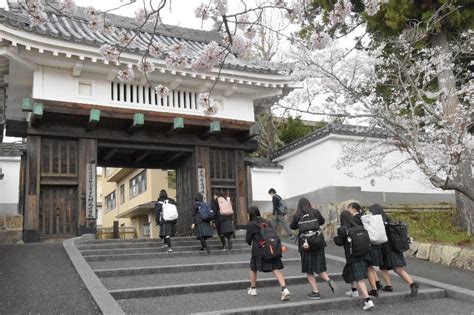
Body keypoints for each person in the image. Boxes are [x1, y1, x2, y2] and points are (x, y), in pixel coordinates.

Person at [290, 197, 336, 300]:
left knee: (309, 270)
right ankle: (328, 280)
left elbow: (293, 227)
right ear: (309, 204)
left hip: (305, 244)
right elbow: (322, 221)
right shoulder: (315, 211)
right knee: (319, 266)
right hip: (318, 242)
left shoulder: (297, 214)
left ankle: (315, 292)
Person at [369, 204, 420, 297]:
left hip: (387, 249)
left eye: (371, 212)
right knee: (384, 267)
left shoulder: (379, 223)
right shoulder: (388, 221)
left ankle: (412, 284)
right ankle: (388, 286)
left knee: (396, 268)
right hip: (393, 248)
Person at [246, 205, 291, 301]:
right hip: (270, 249)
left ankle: (253, 289)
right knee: (275, 268)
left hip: (258, 250)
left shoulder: (251, 225)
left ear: (250, 215)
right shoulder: (267, 222)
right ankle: (284, 288)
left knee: (253, 268)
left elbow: (248, 240)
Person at [334, 210, 375, 311]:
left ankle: (368, 300)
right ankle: (354, 290)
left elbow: (339, 242)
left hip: (352, 256)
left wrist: (335, 238)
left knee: (359, 279)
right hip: (363, 255)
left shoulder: (343, 229)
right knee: (350, 270)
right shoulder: (359, 226)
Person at [347, 202, 379, 297]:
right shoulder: (364, 216)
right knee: (369, 267)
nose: (348, 210)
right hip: (369, 244)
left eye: (349, 208)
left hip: (359, 246)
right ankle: (374, 288)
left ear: (353, 209)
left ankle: (355, 290)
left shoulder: (354, 219)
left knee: (358, 267)